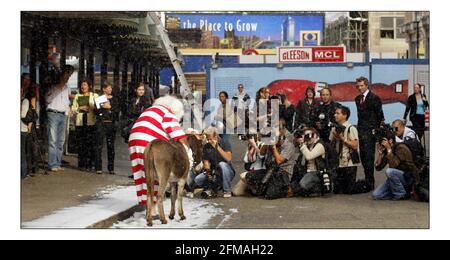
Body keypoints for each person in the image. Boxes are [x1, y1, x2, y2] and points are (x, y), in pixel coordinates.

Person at [128, 95, 193, 206]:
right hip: (149, 140)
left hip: (134, 139)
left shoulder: (151, 110)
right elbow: (180, 137)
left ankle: (146, 203)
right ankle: (154, 208)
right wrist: (188, 153)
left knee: (143, 174)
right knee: (158, 174)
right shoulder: (168, 113)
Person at [355, 76, 385, 190]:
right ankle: (367, 179)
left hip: (371, 131)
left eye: (362, 85)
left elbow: (380, 115)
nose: (360, 88)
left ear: (366, 85)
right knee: (363, 156)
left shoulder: (374, 98)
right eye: (358, 86)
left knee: (369, 156)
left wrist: (377, 131)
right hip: (361, 130)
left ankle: (370, 181)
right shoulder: (357, 99)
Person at [373, 131, 420, 200]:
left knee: (389, 171)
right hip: (395, 179)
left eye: (384, 142)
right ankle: (402, 193)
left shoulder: (401, 148)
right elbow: (378, 167)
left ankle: (401, 194)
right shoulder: (388, 150)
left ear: (391, 141)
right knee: (376, 195)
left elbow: (393, 165)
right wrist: (380, 155)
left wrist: (389, 150)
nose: (382, 145)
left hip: (407, 177)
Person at [45, 65, 74, 172]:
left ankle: (57, 162)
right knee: (53, 139)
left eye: (69, 76)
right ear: (61, 76)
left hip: (63, 114)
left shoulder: (67, 88)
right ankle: (52, 164)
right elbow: (47, 100)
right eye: (66, 75)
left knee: (61, 140)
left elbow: (67, 101)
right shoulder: (53, 87)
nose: (67, 78)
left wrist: (68, 110)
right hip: (53, 113)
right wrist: (56, 91)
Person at [193, 127, 235, 198]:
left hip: (227, 171)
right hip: (214, 172)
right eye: (208, 139)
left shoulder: (224, 142)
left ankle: (227, 190)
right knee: (197, 180)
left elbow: (228, 158)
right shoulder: (206, 146)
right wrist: (208, 172)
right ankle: (214, 187)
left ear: (216, 136)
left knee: (222, 164)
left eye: (210, 139)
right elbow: (206, 161)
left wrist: (217, 147)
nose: (209, 141)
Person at [259, 127, 299, 199]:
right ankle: (268, 186)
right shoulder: (271, 142)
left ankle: (287, 188)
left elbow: (279, 161)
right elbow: (261, 153)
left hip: (283, 173)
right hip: (271, 171)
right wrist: (266, 142)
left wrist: (274, 147)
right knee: (250, 177)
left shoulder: (288, 145)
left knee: (270, 195)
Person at [330, 106, 360, 194]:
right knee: (337, 190)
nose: (335, 115)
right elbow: (331, 144)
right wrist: (335, 136)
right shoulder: (334, 128)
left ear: (345, 115)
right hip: (338, 162)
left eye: (338, 113)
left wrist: (342, 138)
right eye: (335, 113)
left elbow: (355, 146)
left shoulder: (351, 128)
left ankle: (363, 184)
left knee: (348, 190)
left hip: (349, 163)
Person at [71, 79, 98, 171]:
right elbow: (73, 109)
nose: (83, 87)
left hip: (91, 122)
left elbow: (98, 107)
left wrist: (91, 107)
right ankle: (82, 164)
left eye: (85, 85)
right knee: (81, 144)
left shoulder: (94, 95)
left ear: (89, 86)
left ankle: (90, 164)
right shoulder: (77, 96)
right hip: (80, 122)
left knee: (90, 144)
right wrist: (80, 108)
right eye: (82, 85)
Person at [293, 127, 329, 196]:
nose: (308, 138)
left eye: (309, 135)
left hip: (317, 172)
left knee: (303, 184)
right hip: (306, 171)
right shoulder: (308, 144)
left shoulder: (320, 145)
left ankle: (318, 188)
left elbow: (309, 156)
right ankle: (310, 190)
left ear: (315, 135)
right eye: (306, 136)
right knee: (294, 187)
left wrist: (303, 145)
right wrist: (298, 142)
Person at [94, 82, 120, 175]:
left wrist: (111, 107)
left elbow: (117, 111)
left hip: (111, 124)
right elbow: (96, 111)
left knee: (111, 146)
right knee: (99, 146)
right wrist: (102, 107)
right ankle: (98, 167)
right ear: (104, 89)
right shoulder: (99, 99)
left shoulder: (114, 99)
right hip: (101, 123)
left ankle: (111, 168)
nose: (110, 90)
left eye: (111, 88)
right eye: (108, 88)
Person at [21, 86, 30, 179]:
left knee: (22, 152)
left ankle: (23, 173)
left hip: (22, 129)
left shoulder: (25, 101)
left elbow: (23, 114)